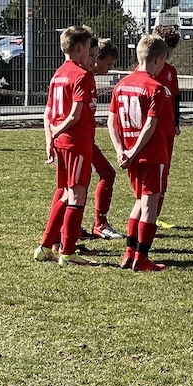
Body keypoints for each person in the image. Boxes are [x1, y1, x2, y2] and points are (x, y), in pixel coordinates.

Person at [108, 34, 176, 271]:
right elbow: (150, 124)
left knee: (139, 202)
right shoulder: (156, 87)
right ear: (158, 60)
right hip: (151, 153)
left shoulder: (121, 85)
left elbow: (111, 120)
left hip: (129, 153)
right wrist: (135, 150)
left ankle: (130, 253)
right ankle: (143, 258)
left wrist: (121, 151)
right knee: (150, 205)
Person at [35, 25, 99, 267]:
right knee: (77, 193)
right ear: (81, 48)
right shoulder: (81, 75)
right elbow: (74, 114)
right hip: (75, 142)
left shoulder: (58, 74)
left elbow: (48, 111)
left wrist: (50, 137)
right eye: (89, 47)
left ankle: (44, 246)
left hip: (61, 143)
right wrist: (58, 130)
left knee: (63, 192)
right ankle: (68, 252)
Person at [85, 39, 124, 241]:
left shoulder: (87, 77)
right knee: (106, 174)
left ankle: (69, 227)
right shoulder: (83, 77)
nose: (109, 70)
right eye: (108, 64)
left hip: (83, 140)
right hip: (80, 142)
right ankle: (99, 224)